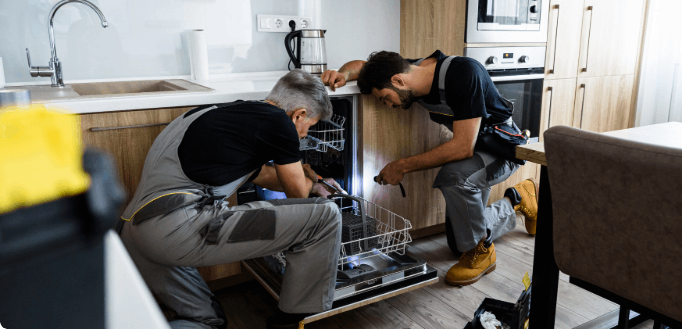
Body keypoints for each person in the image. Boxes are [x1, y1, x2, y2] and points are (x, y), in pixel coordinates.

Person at [118, 70, 344, 329]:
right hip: (177, 229)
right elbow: (299, 196)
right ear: (299, 115)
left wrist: (312, 182)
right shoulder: (279, 123)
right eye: (309, 127)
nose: (303, 135)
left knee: (208, 320)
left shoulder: (222, 114)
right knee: (325, 216)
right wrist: (307, 181)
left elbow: (258, 173)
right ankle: (291, 322)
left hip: (134, 236)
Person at [321, 51, 539, 287]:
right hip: (476, 148)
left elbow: (463, 147)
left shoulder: (464, 73)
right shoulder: (409, 70)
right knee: (459, 244)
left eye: (385, 97)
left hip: (501, 148)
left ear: (398, 81)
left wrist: (401, 165)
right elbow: (361, 64)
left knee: (453, 178)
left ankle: (483, 253)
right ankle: (518, 199)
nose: (388, 105)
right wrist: (342, 73)